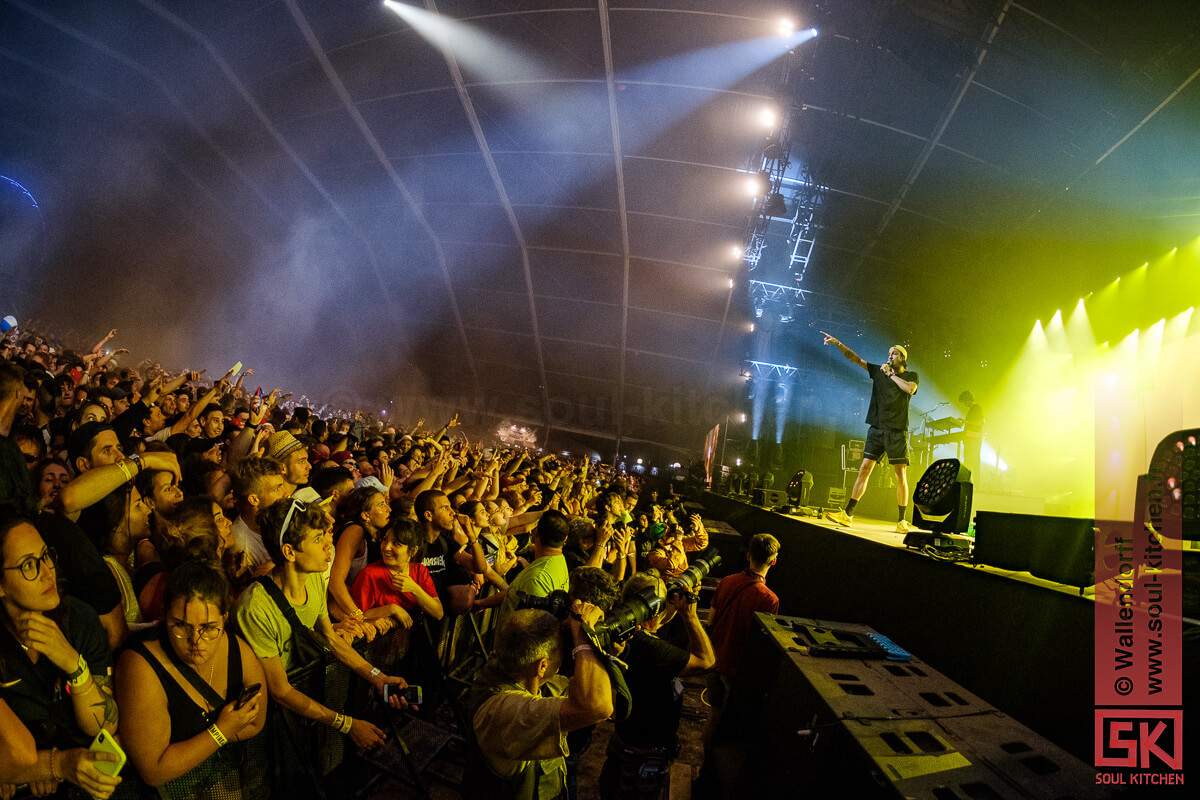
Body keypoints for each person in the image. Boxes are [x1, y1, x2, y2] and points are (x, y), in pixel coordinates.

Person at [233, 497, 409, 754]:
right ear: (289, 552)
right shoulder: (255, 608)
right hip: (270, 722)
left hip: (304, 704)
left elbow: (331, 637)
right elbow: (280, 690)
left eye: (326, 535)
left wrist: (378, 678)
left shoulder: (314, 579)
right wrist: (347, 724)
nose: (330, 545)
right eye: (317, 539)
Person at [115, 560, 268, 798]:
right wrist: (222, 731)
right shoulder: (141, 665)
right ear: (164, 616)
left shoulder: (237, 648)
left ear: (224, 618)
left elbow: (257, 723)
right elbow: (153, 770)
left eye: (208, 627)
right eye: (180, 625)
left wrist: (193, 748)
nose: (195, 641)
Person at [0, 511, 124, 799]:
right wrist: (41, 768)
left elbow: (104, 725)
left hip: (85, 781)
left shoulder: (78, 619)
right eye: (28, 565)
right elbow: (15, 755)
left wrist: (74, 664)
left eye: (46, 556)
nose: (47, 571)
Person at [465, 603, 613, 800]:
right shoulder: (506, 711)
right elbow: (597, 706)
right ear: (542, 666)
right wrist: (584, 639)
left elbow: (592, 692)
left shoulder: (513, 669)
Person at [599, 572, 715, 799]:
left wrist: (675, 606)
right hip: (644, 755)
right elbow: (707, 660)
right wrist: (689, 615)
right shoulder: (651, 649)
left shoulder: (624, 634)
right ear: (651, 608)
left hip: (624, 742)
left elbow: (658, 622)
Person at [821, 333, 919, 532]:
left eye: (894, 354)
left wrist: (891, 375)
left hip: (896, 431)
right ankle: (848, 514)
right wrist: (838, 343)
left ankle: (901, 521)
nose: (890, 356)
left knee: (900, 474)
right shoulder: (878, 371)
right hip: (877, 429)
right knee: (864, 468)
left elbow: (909, 390)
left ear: (902, 358)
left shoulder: (910, 376)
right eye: (889, 353)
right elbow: (855, 359)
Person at [705, 533, 780, 740]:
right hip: (736, 670)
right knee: (727, 728)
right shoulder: (769, 599)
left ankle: (705, 759)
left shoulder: (727, 581)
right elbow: (760, 643)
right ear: (773, 561)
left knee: (714, 715)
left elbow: (711, 620)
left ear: (748, 556)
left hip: (714, 661)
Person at [349, 518, 443, 633]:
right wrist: (391, 609)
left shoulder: (419, 571)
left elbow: (438, 613)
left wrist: (414, 588)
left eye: (396, 544)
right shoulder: (370, 574)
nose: (386, 547)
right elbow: (356, 615)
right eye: (385, 540)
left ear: (413, 551)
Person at [494, 510, 571, 634]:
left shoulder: (537, 579)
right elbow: (513, 593)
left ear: (535, 533)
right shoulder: (558, 561)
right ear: (565, 538)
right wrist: (481, 603)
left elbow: (527, 632)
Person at [959, 390, 984, 479]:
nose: (965, 404)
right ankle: (968, 481)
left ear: (968, 399)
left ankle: (976, 484)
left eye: (965, 401)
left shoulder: (977, 408)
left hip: (975, 438)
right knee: (968, 461)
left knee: (974, 461)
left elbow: (980, 423)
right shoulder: (971, 410)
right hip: (970, 438)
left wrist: (966, 421)